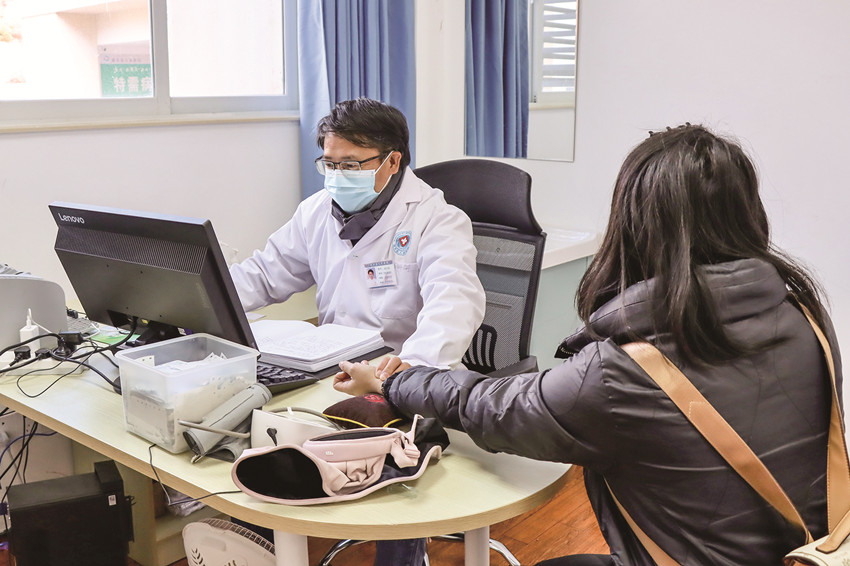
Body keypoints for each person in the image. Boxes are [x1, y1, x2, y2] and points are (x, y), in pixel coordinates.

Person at [333, 124, 839, 565]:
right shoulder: (803, 317)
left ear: (635, 226)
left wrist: (396, 379)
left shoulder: (628, 370)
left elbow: (491, 407)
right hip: (804, 555)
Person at [229, 97, 485, 565]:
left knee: (392, 474)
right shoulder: (315, 212)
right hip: (331, 367)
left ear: (392, 161)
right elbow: (265, 275)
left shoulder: (436, 219)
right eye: (329, 163)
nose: (336, 175)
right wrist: (209, 297)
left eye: (350, 164)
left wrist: (405, 372)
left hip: (401, 373)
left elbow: (455, 302)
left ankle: (403, 555)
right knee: (255, 428)